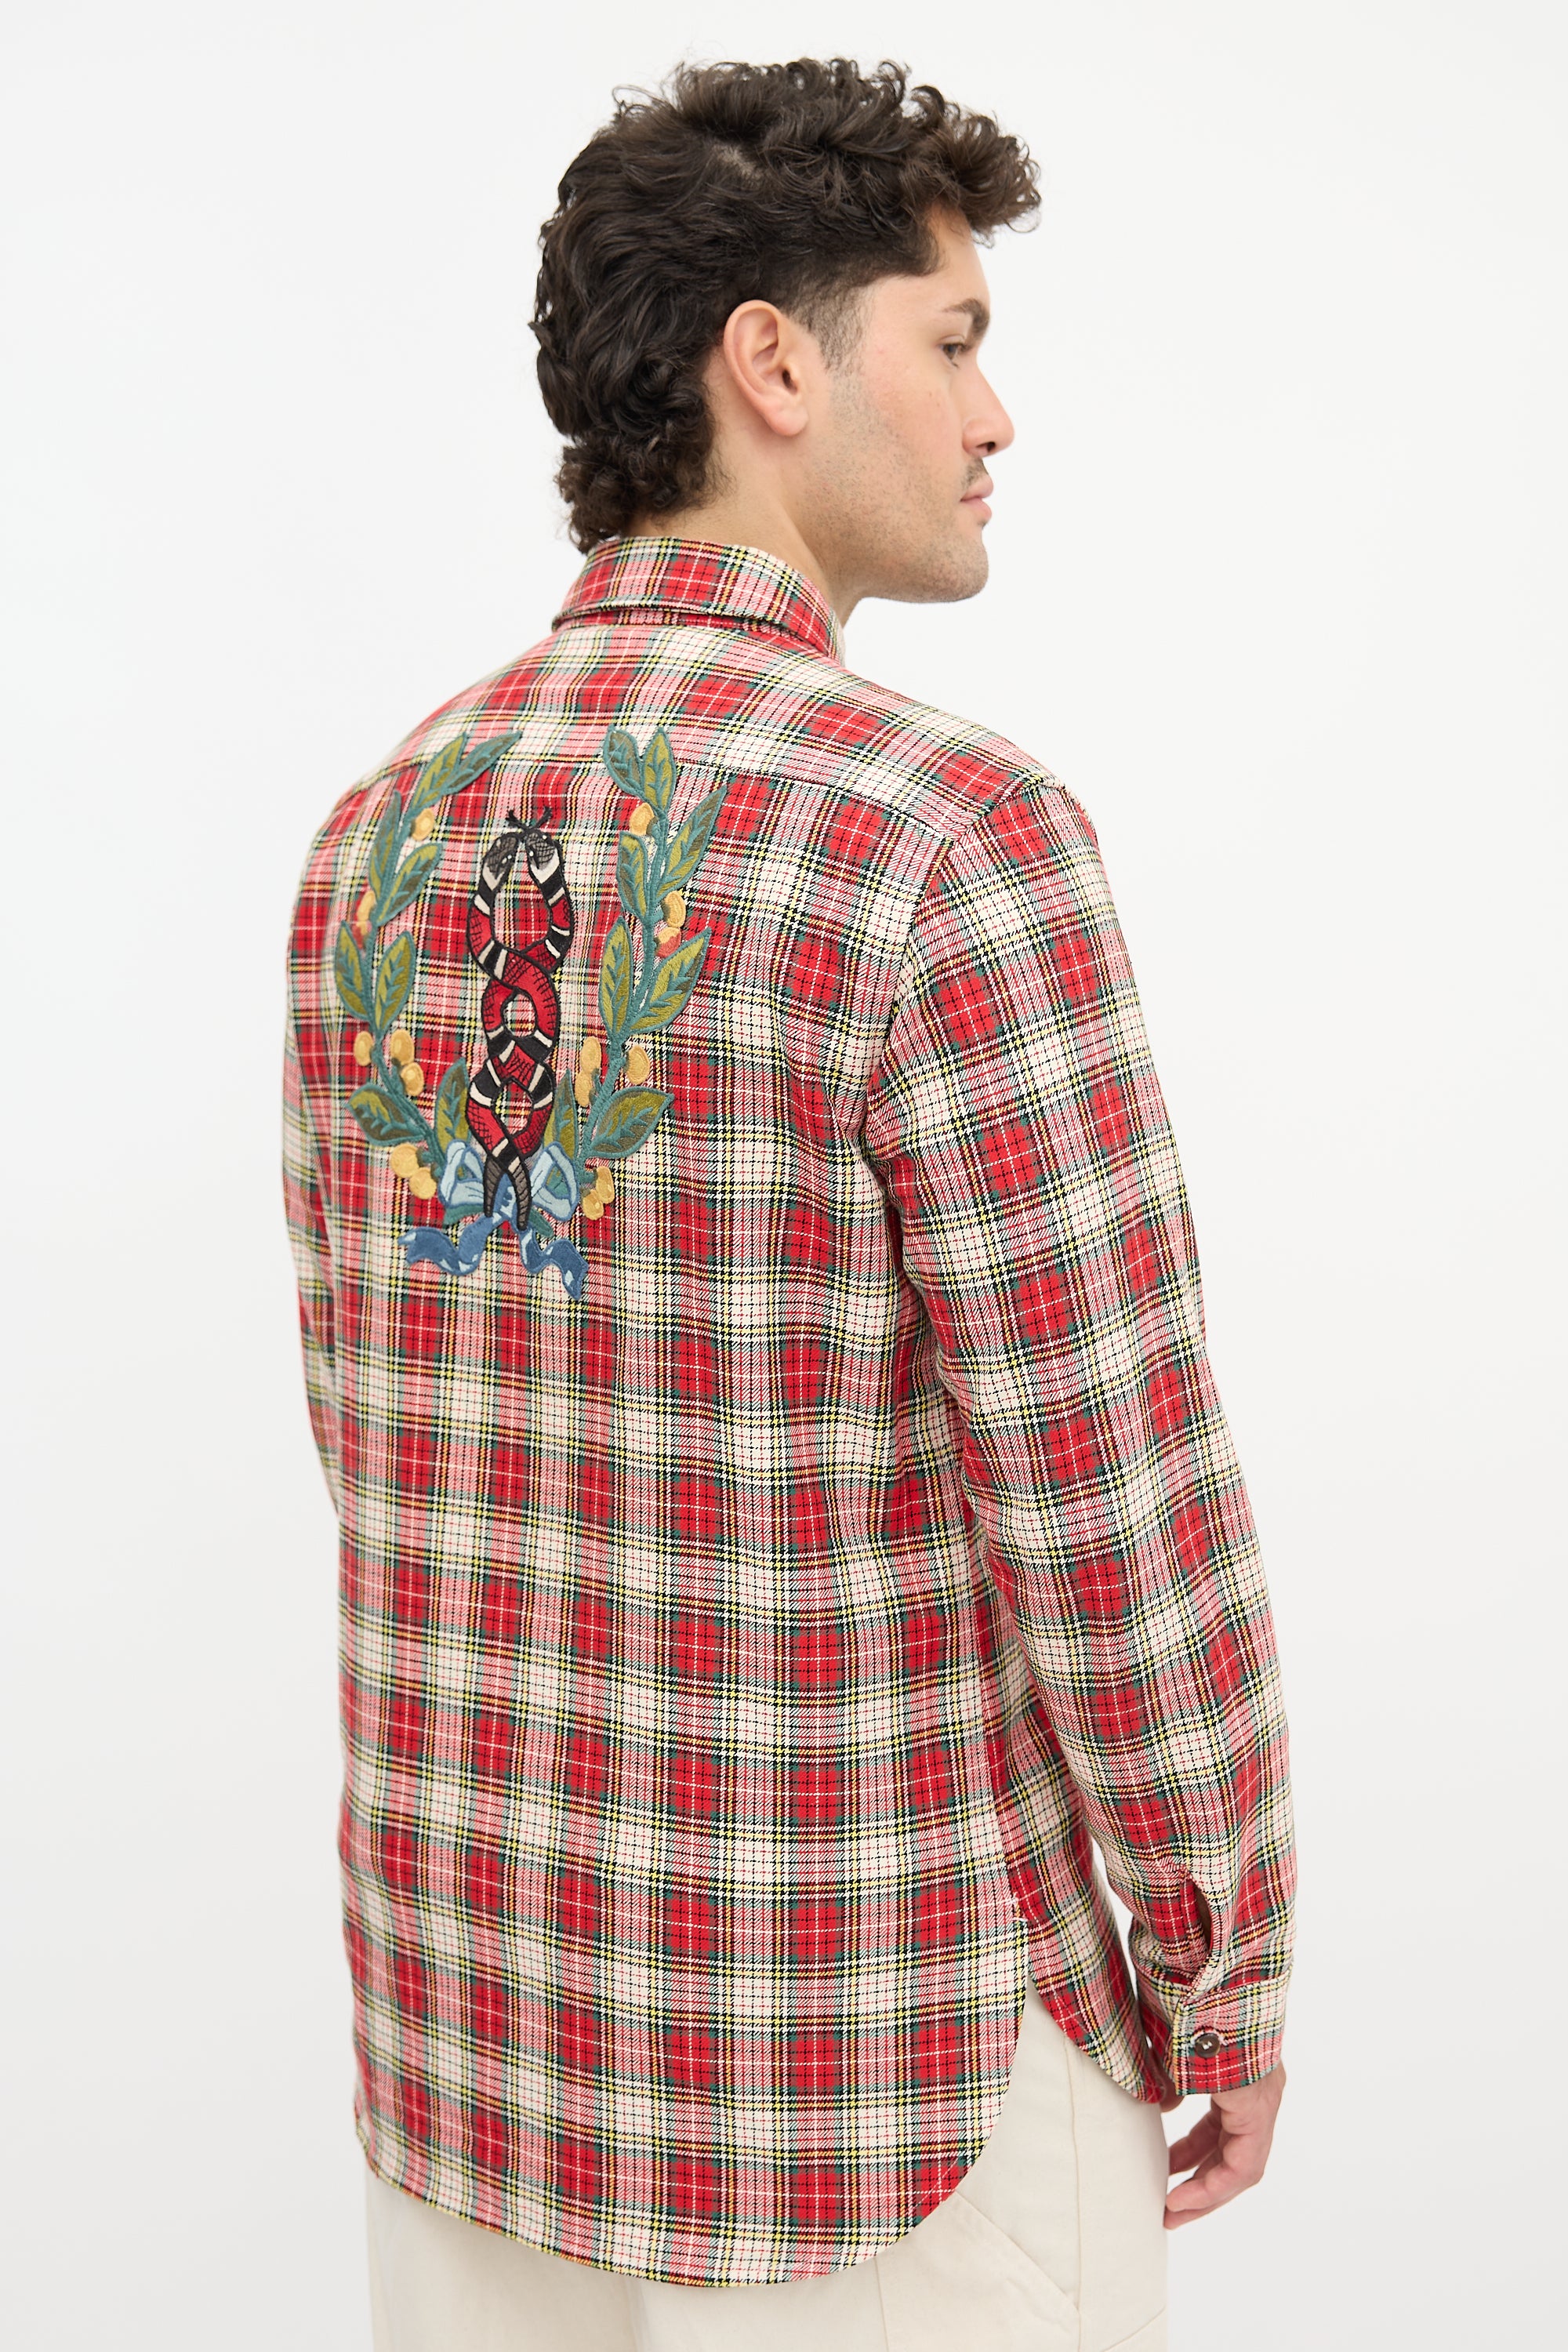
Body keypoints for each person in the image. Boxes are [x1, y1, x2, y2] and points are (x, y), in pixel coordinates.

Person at [282, 56, 1294, 2352]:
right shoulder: (943, 835)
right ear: (774, 362)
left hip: (482, 2059)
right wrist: (1218, 1947)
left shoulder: (380, 834)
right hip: (879, 2079)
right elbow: (1110, 1477)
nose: (997, 415)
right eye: (953, 338)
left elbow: (378, 1433)